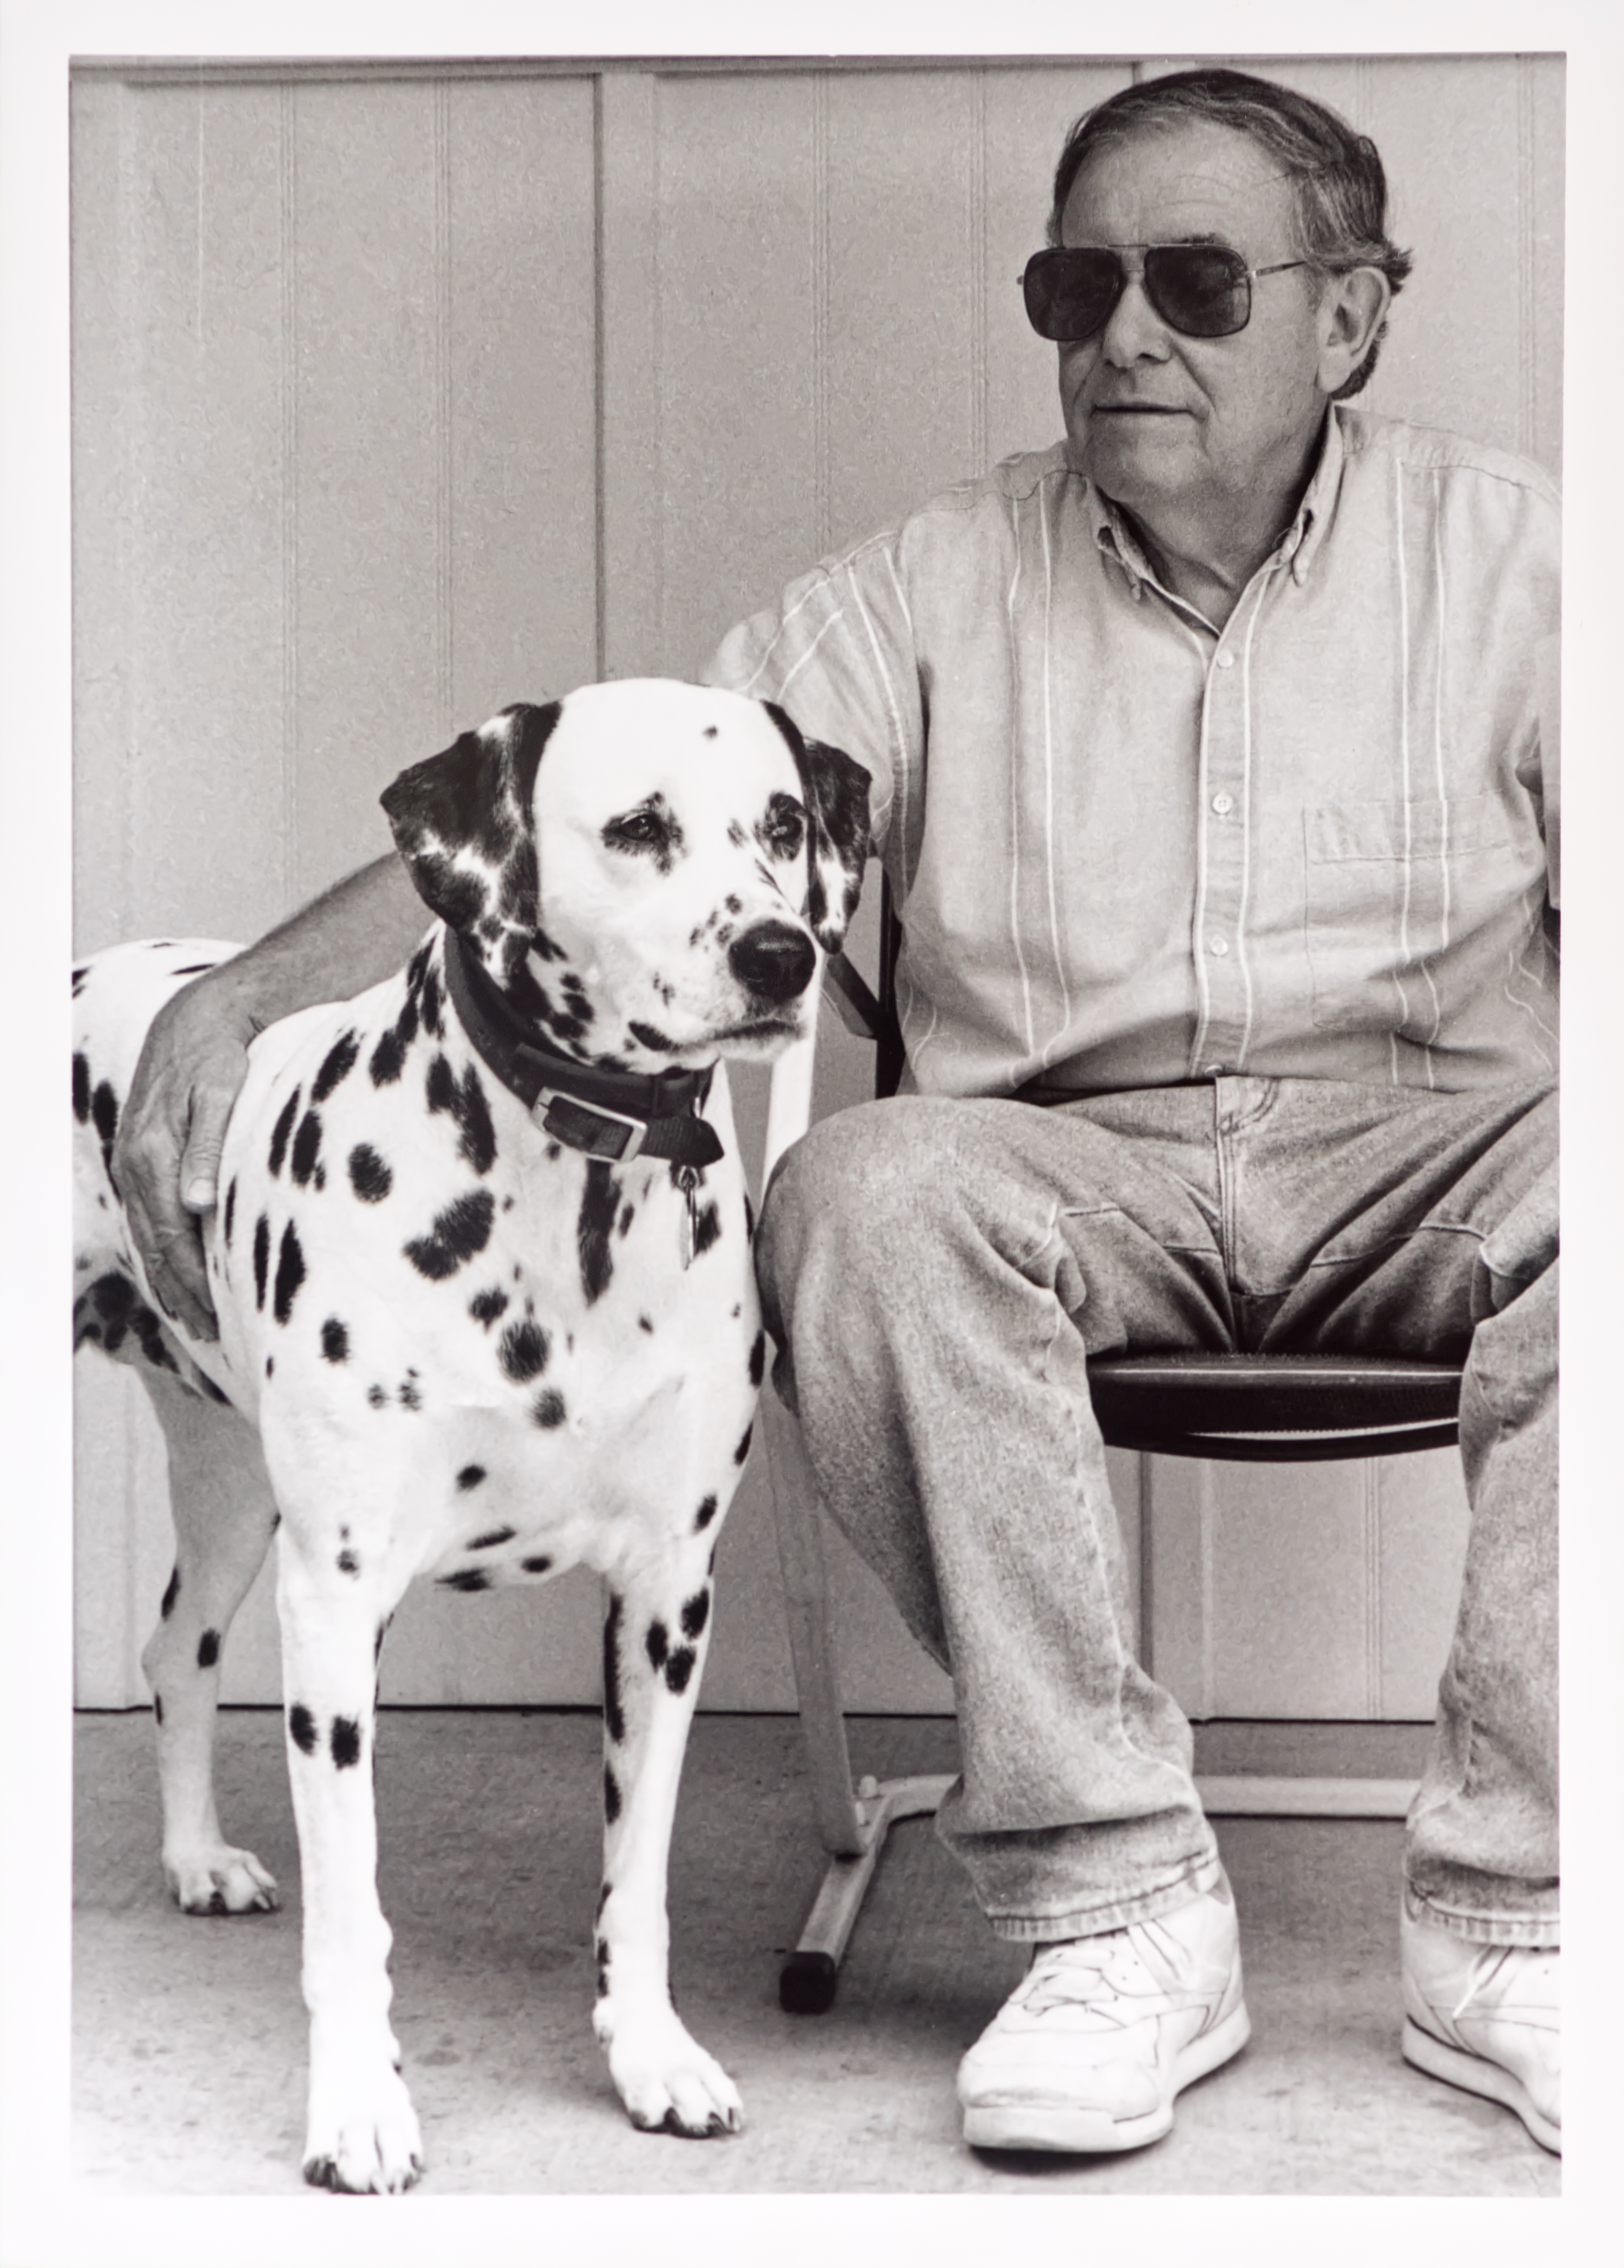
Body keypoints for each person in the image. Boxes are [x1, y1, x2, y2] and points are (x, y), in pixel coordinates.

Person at [113, 67, 1558, 2161]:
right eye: (1079, 283)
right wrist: (246, 995)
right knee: (856, 1187)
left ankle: (1518, 1913)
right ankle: (1118, 1908)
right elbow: (584, 816)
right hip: (1070, 1167)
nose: (1124, 332)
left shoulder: (1528, 562)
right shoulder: (922, 590)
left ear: (1353, 317)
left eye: (1199, 281)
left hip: (1423, 1152)